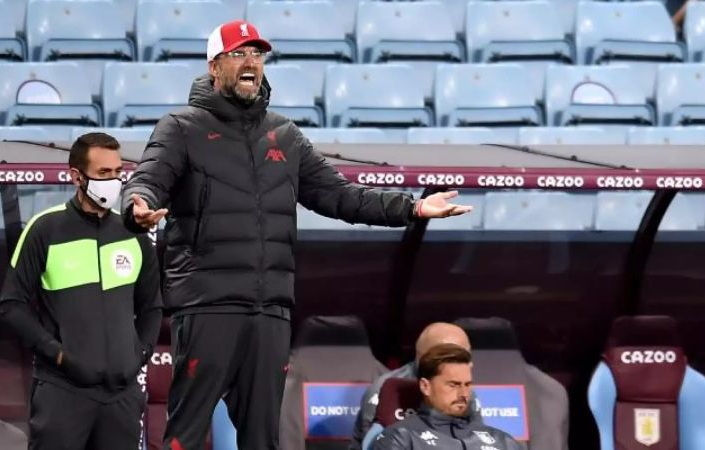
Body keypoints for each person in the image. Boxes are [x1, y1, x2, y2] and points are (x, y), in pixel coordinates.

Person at [120, 20, 473, 450]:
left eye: (258, 55)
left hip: (271, 310)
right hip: (208, 305)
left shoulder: (284, 135)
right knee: (186, 435)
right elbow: (147, 179)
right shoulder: (181, 127)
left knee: (262, 438)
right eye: (239, 54)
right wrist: (136, 204)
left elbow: (339, 195)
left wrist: (412, 207)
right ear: (215, 66)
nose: (251, 63)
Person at [0, 132, 166, 450]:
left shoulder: (133, 234)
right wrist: (57, 354)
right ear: (76, 176)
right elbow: (12, 305)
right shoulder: (44, 229)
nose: (114, 181)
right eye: (104, 173)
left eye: (118, 172)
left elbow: (152, 307)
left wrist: (140, 356)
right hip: (62, 393)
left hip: (122, 396)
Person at [373, 344, 521, 450]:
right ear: (426, 386)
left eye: (467, 384)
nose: (463, 394)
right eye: (453, 385)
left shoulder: (503, 441)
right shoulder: (400, 438)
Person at [351, 323, 474, 449]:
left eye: (467, 357)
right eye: (455, 360)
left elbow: (476, 438)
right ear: (425, 359)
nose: (470, 365)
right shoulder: (386, 392)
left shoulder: (464, 390)